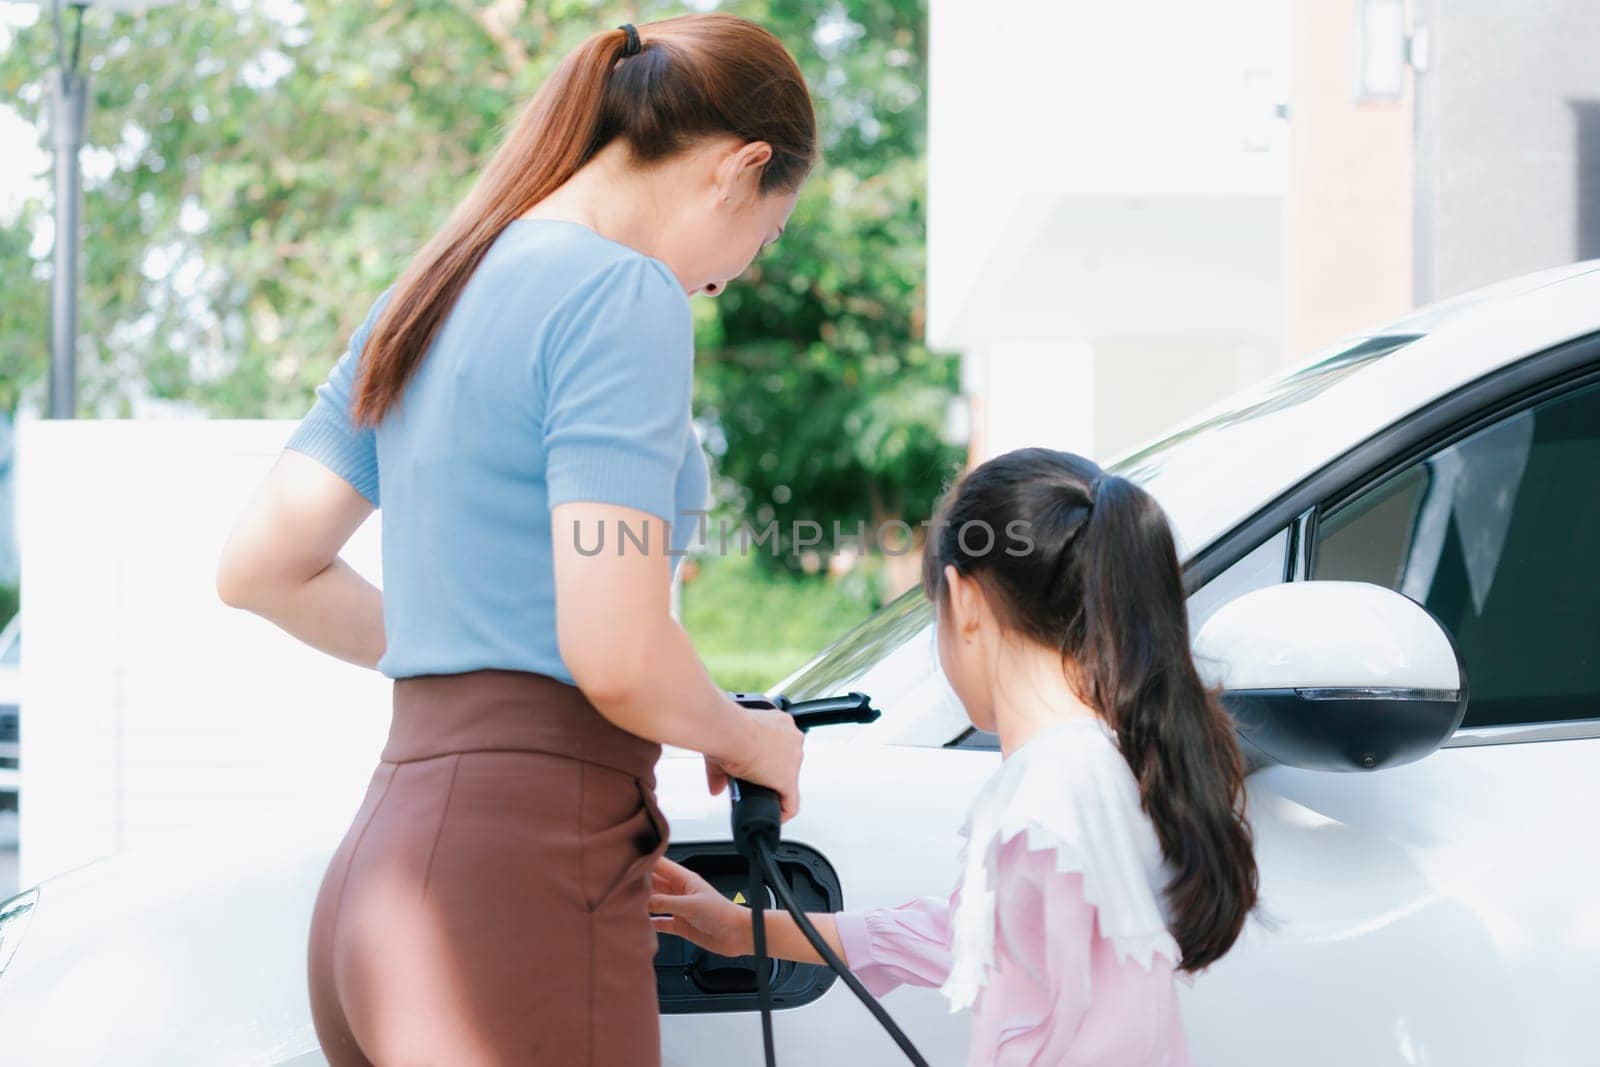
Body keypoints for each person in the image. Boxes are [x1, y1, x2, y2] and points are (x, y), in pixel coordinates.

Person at [215, 15, 815, 1065]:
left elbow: (264, 567)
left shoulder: (430, 288)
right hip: (516, 881)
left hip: (383, 878)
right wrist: (749, 734)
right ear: (741, 167)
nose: (730, 278)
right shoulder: (621, 291)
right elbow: (617, 655)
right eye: (762, 241)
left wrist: (477, 653)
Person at [648, 447, 1260, 1065]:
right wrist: (741, 930)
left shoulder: (1053, 793)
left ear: (963, 603)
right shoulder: (1094, 770)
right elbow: (971, 938)